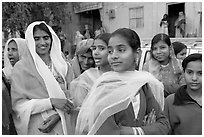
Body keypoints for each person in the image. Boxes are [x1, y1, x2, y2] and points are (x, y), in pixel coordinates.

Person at [75, 28, 170, 135]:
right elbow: (107, 132)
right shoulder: (105, 87)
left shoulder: (142, 84)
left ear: (137, 53)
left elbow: (164, 125)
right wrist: (147, 129)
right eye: (110, 51)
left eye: (121, 50)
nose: (114, 56)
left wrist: (136, 131)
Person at [10, 21, 75, 135]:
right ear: (30, 41)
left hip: (65, 124)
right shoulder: (21, 68)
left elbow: (74, 97)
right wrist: (50, 102)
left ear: (52, 39)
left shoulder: (63, 66)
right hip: (39, 127)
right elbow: (19, 106)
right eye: (36, 39)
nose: (42, 42)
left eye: (46, 38)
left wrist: (58, 116)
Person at [70, 33, 112, 107]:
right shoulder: (87, 77)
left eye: (101, 48)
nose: (96, 53)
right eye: (94, 48)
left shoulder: (122, 75)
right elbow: (80, 108)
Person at [164, 53, 202, 135]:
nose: (194, 78)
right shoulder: (171, 101)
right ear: (184, 73)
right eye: (190, 72)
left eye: (200, 73)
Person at [143, 33, 185, 98]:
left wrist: (160, 88)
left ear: (170, 48)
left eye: (162, 47)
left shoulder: (179, 64)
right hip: (155, 105)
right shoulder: (147, 67)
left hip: (176, 103)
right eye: (155, 49)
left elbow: (184, 88)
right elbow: (147, 91)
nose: (158, 52)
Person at [2, 38, 27, 135]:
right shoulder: (4, 74)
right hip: (10, 121)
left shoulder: (30, 73)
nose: (10, 53)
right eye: (8, 49)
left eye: (14, 49)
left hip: (27, 117)